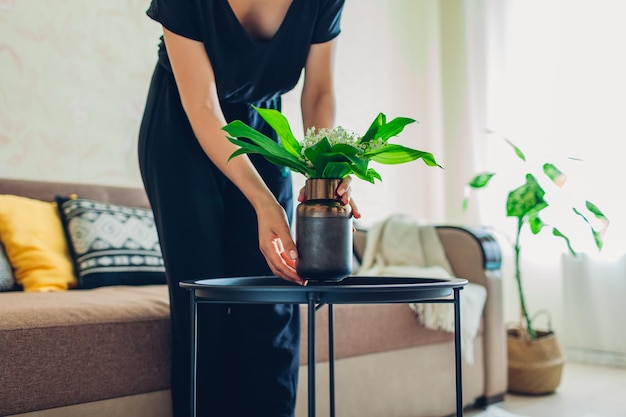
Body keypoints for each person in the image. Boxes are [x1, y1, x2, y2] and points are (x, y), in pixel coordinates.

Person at [137, 1, 359, 416]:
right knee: (204, 300)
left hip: (263, 131)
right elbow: (202, 106)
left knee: (272, 298)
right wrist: (263, 201)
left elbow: (320, 91)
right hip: (182, 132)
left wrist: (323, 170)